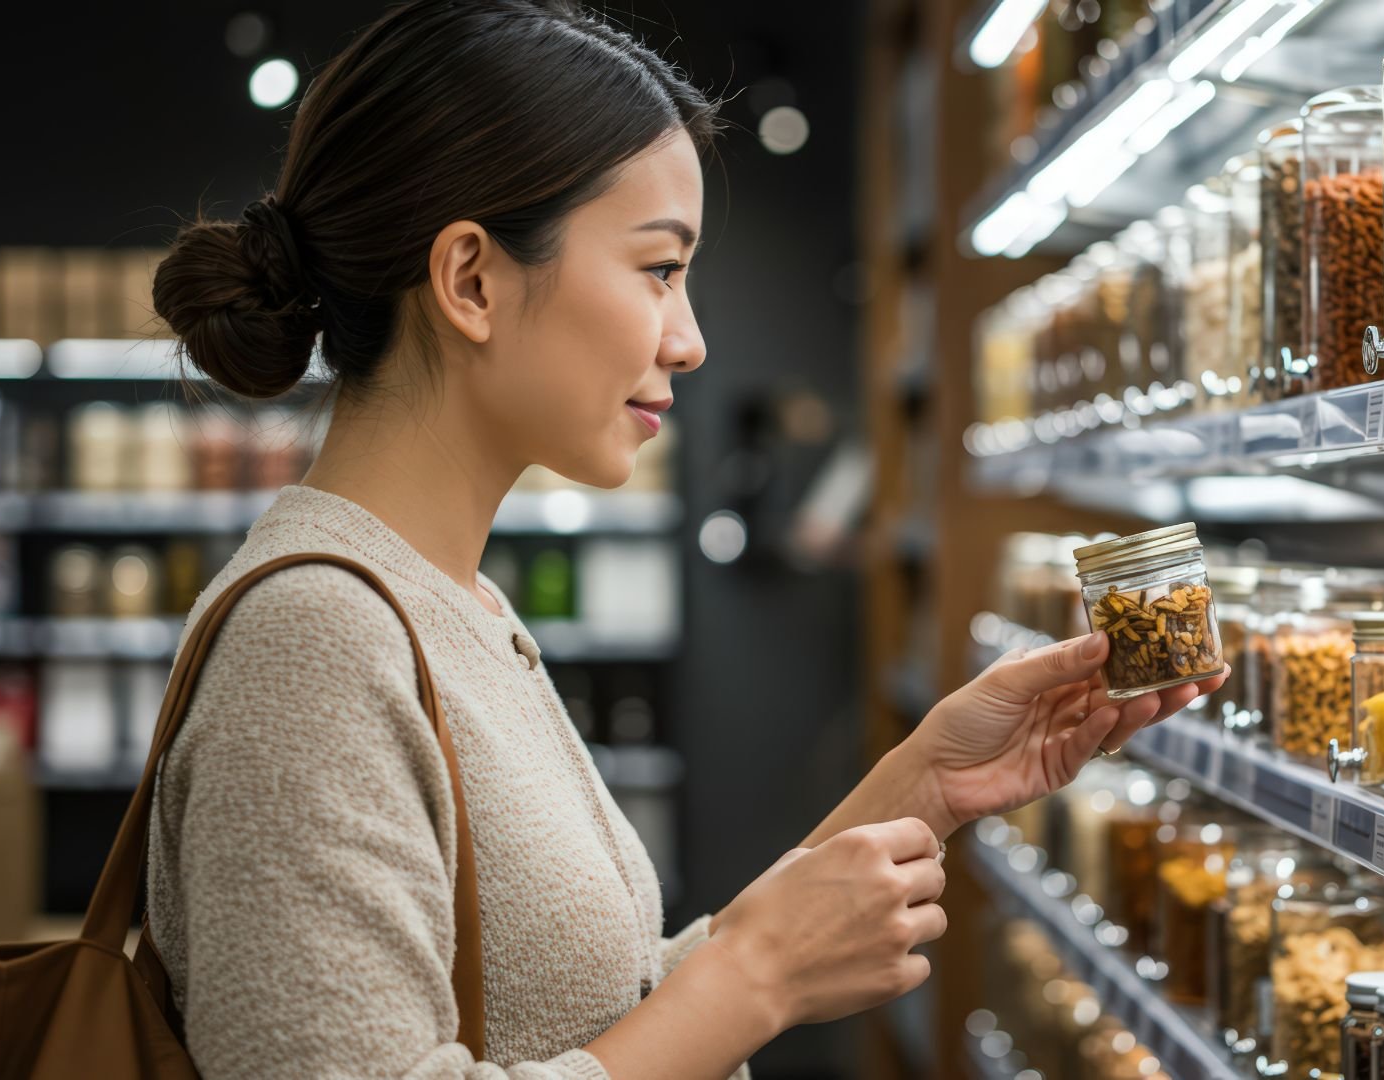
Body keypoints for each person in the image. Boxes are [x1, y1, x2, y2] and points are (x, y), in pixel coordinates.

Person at [146, 2, 1225, 1078]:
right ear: (470, 280)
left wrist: (923, 787)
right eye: (660, 269)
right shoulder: (315, 644)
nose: (691, 337)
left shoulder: (450, 605)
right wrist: (754, 975)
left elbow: (578, 1023)